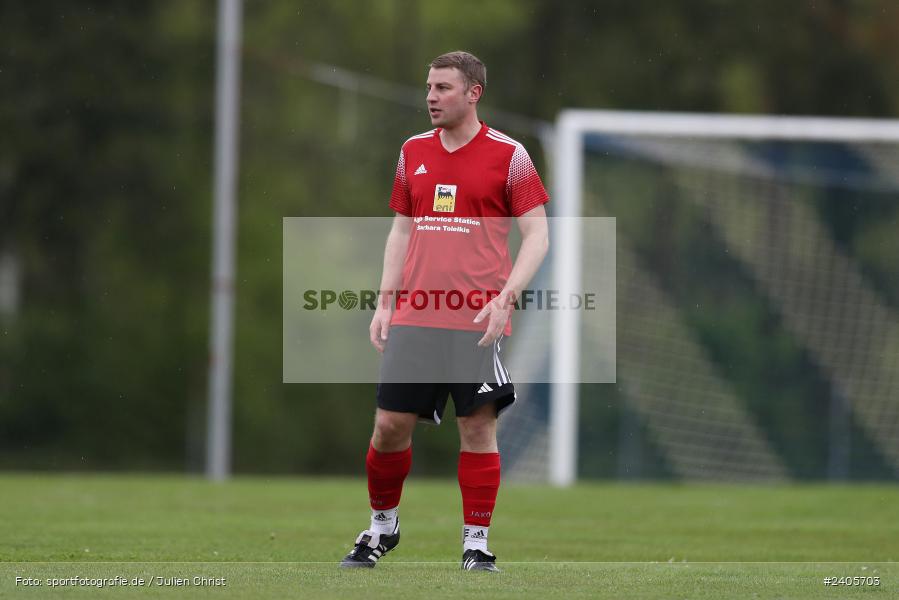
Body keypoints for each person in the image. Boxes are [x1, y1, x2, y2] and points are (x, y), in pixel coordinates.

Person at [339, 51, 549, 572]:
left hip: (476, 319)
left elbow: (538, 235)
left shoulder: (510, 155)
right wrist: (385, 300)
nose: (430, 96)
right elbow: (401, 231)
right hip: (415, 314)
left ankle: (476, 545)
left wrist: (507, 298)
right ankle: (381, 528)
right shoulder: (412, 152)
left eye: (442, 88)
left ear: (473, 92)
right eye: (429, 87)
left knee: (477, 428)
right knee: (388, 425)